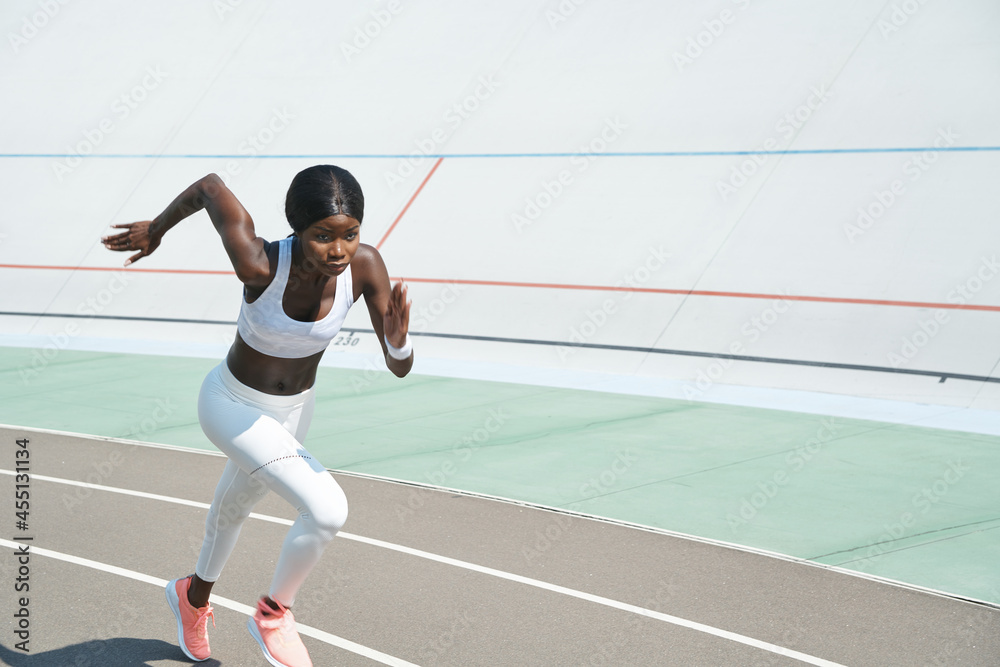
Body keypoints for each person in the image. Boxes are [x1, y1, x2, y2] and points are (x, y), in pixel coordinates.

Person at [102, 165, 412, 667]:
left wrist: (398, 341)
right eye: (322, 237)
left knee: (234, 510)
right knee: (328, 509)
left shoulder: (364, 267)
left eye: (350, 235)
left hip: (293, 411)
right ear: (297, 229)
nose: (338, 251)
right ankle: (273, 615)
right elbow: (209, 187)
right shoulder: (260, 264)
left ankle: (192, 598)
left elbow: (400, 367)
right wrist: (156, 230)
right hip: (231, 405)